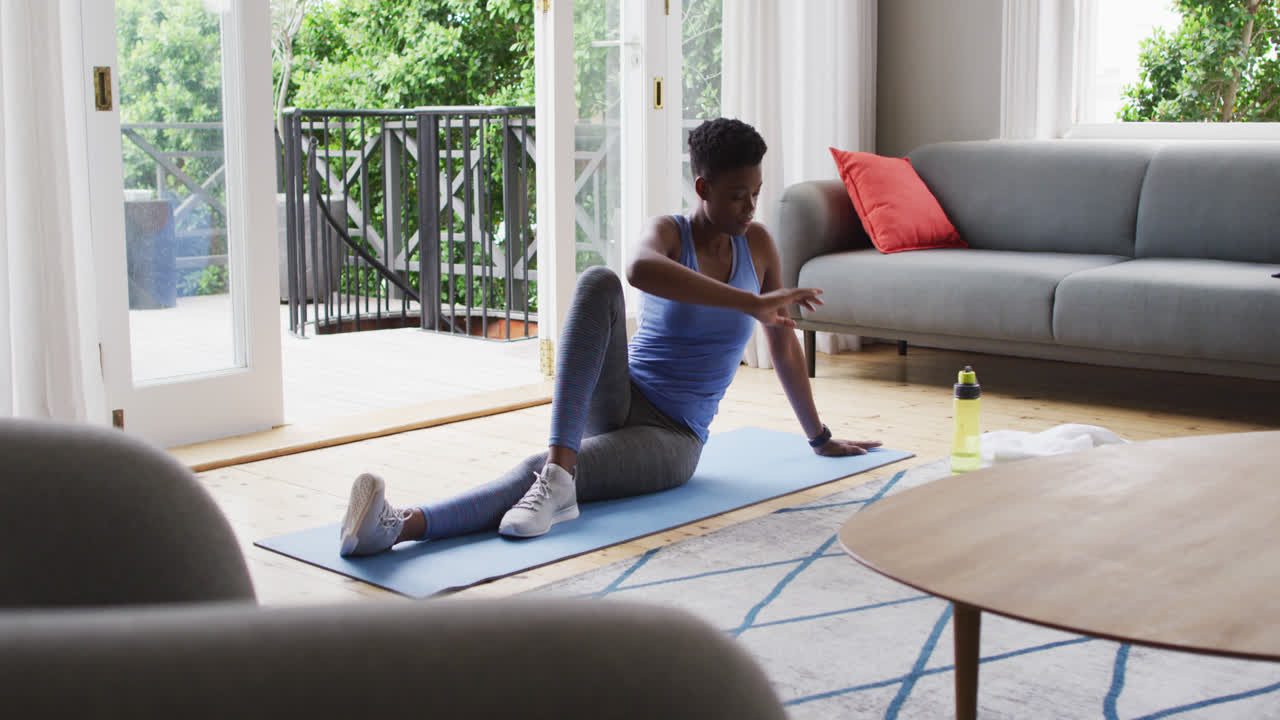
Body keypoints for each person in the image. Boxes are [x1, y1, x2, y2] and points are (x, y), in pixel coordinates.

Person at [338, 118, 881, 557]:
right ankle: (559, 475)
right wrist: (750, 303)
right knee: (597, 280)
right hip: (621, 394)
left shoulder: (758, 245)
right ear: (703, 188)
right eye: (738, 195)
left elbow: (783, 344)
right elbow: (638, 270)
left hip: (674, 437)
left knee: (538, 473)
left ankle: (401, 525)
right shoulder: (668, 232)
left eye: (756, 193)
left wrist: (819, 437)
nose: (750, 207)